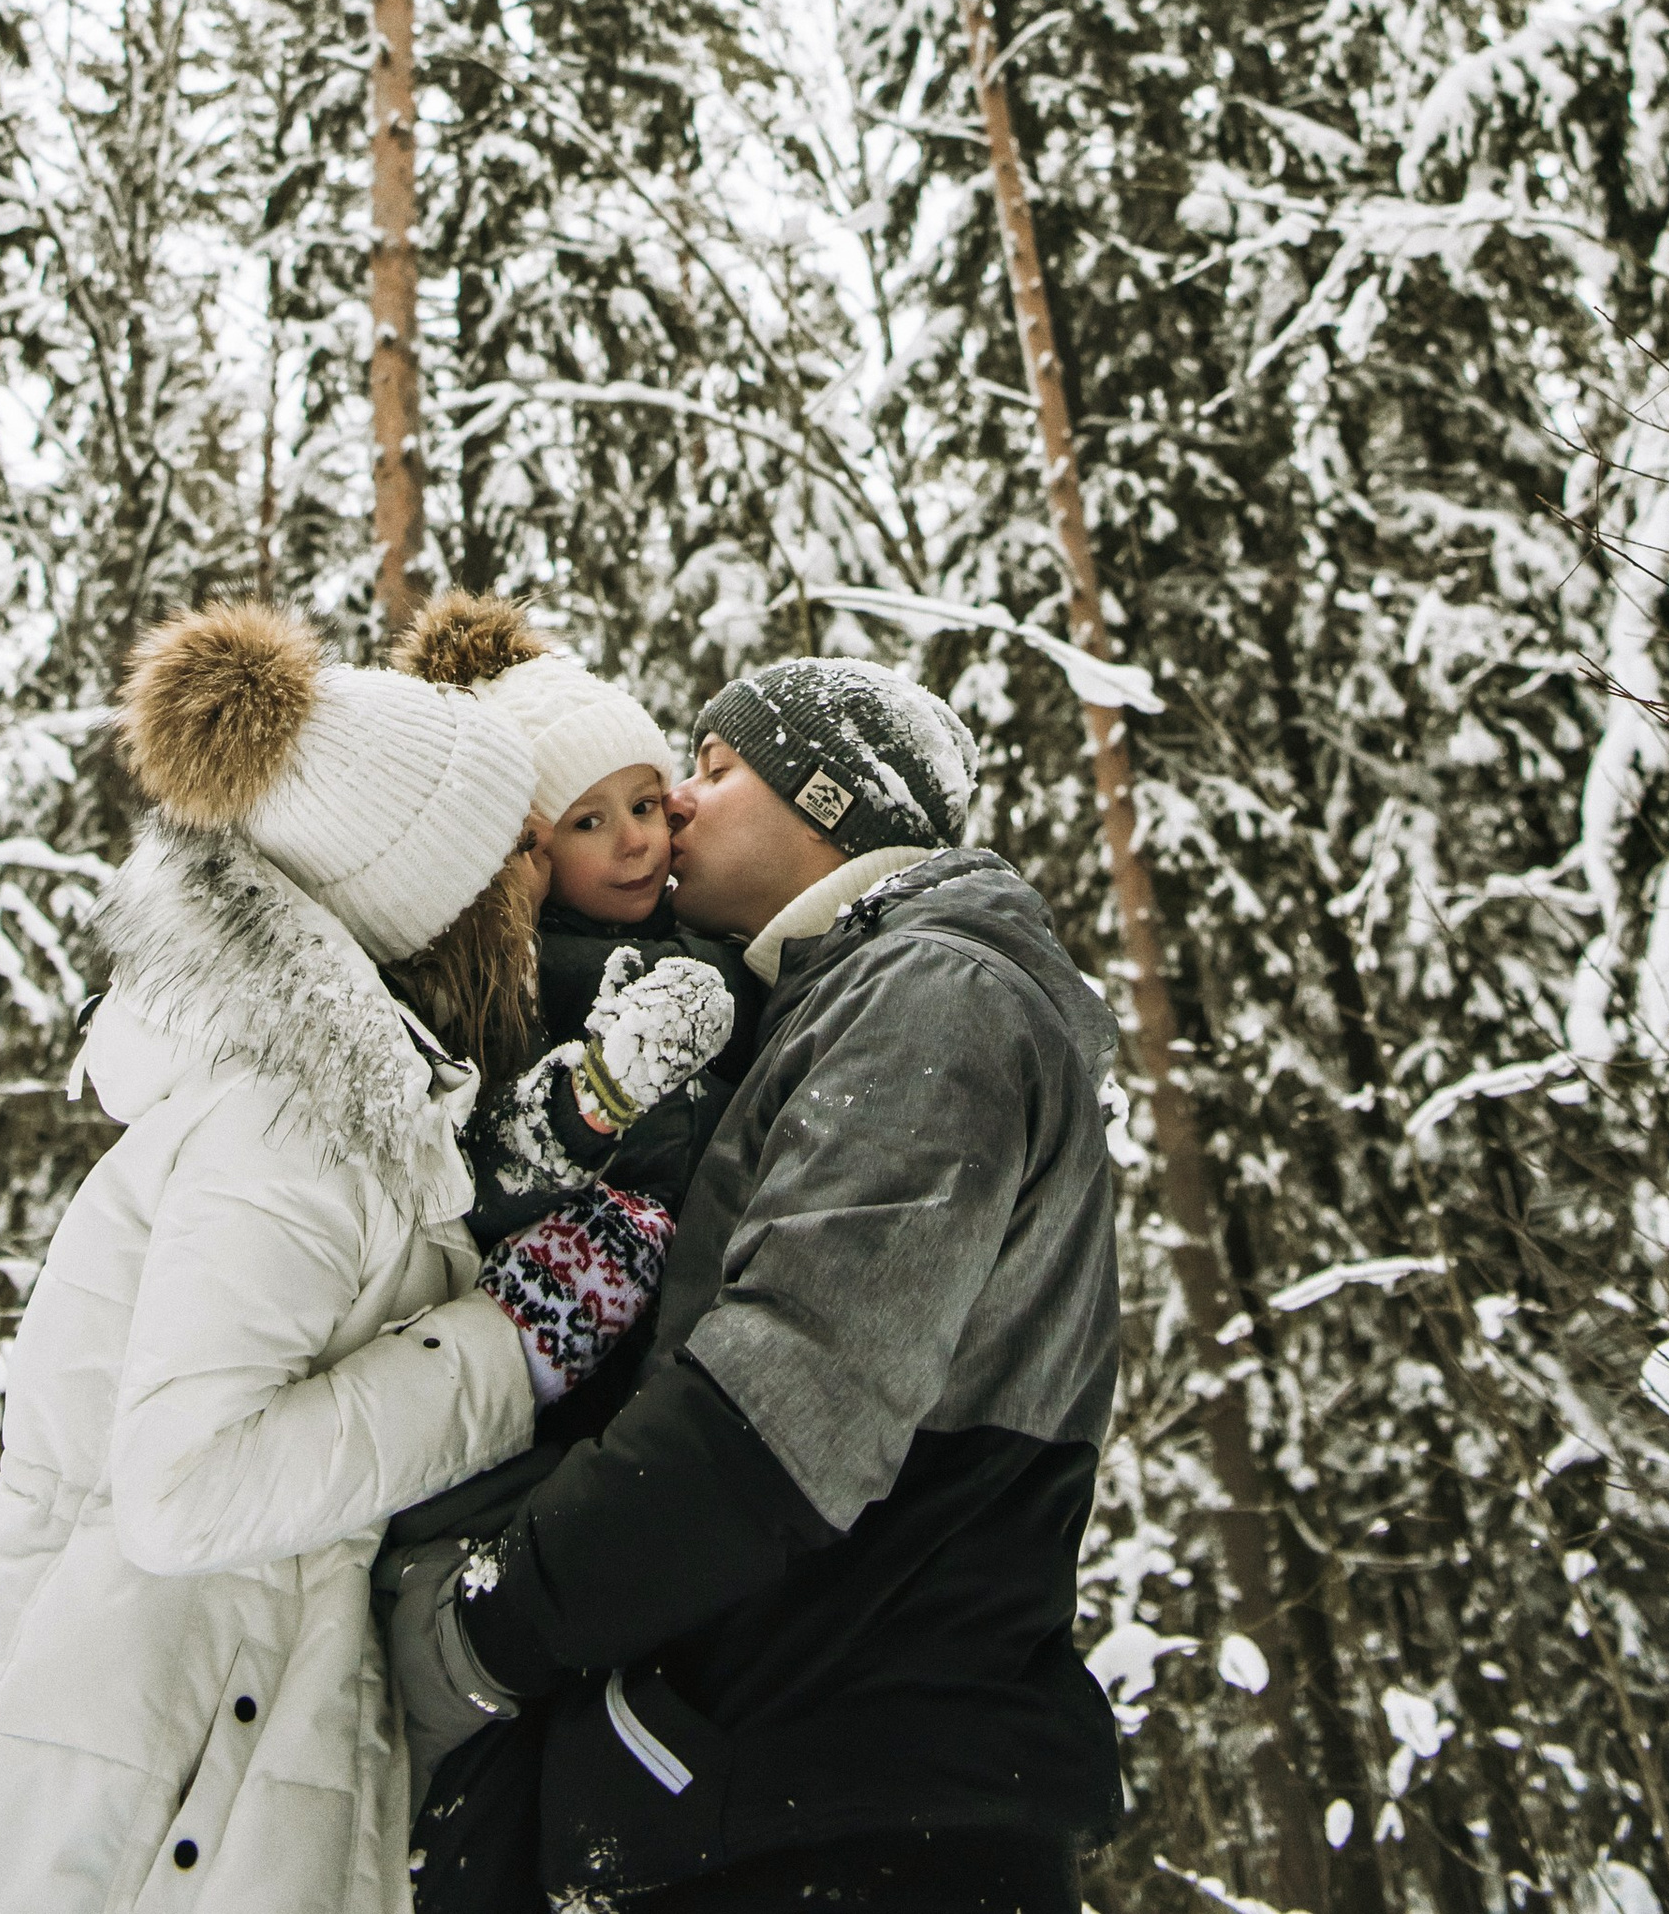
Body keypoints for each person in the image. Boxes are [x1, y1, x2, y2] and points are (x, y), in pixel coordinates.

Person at [0, 596, 667, 1914]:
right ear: (436, 901)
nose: (546, 876)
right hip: (142, 1783)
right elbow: (189, 1485)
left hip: (190, 1741)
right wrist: (511, 1343)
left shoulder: (333, 1096)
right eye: (517, 853)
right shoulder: (291, 1119)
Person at [383, 658, 1126, 1914]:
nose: (674, 802)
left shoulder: (932, 994)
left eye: (717, 769)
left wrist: (480, 1637)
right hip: (820, 1784)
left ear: (830, 807)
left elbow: (784, 1403)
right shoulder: (842, 1003)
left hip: (858, 1803)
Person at [396, 593, 743, 1251]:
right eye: (588, 821)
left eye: (643, 805)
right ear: (529, 843)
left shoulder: (705, 926)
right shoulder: (521, 978)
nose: (635, 841)